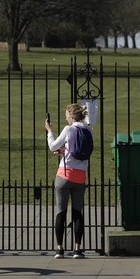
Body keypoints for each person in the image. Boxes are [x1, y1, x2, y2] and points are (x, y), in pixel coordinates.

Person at [45, 103, 93, 259]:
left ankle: (60, 249)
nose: (65, 117)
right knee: (77, 213)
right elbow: (79, 150)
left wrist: (49, 131)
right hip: (80, 176)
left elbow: (52, 146)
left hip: (64, 176)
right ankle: (77, 249)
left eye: (66, 114)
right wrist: (63, 151)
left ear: (72, 115)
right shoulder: (88, 130)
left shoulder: (68, 129)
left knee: (61, 212)